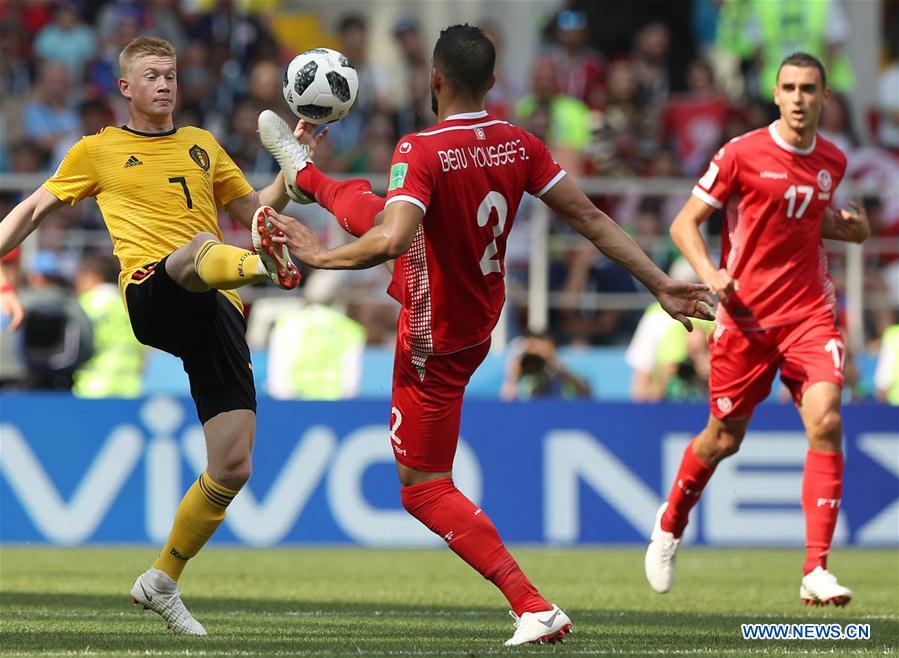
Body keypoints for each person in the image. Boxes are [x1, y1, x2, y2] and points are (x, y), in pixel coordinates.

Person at [256, 24, 713, 646]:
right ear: (493, 83)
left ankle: (532, 604)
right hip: (478, 323)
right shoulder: (519, 143)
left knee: (422, 488)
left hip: (431, 329)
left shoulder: (420, 149)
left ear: (434, 79)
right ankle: (306, 174)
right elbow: (589, 217)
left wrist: (320, 257)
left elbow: (388, 243)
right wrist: (660, 283)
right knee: (376, 206)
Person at [0, 36, 302, 635]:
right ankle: (265, 267)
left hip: (218, 305)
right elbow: (34, 210)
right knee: (194, 251)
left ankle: (162, 578)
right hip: (153, 290)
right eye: (153, 76)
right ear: (126, 88)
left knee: (234, 464)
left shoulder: (202, 145)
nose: (165, 85)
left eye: (171, 75)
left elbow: (258, 212)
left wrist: (293, 174)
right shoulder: (98, 151)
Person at [644, 52, 871, 606]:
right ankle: (670, 523)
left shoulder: (832, 160)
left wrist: (853, 231)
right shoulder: (741, 153)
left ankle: (815, 569)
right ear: (776, 93)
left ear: (824, 97)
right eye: (789, 87)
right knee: (724, 438)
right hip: (745, 320)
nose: (798, 98)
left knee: (827, 421)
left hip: (809, 315)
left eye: (809, 89)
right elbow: (683, 224)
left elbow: (810, 218)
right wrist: (710, 273)